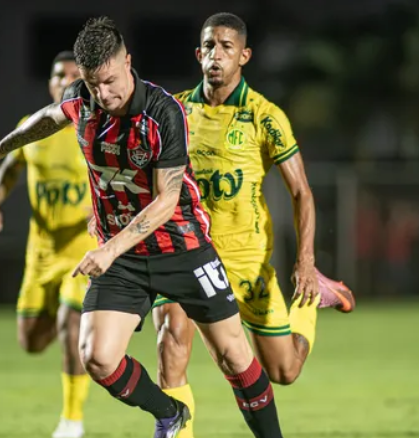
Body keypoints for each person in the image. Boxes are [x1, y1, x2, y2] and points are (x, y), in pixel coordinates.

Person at [0, 17, 286, 438]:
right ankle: (170, 413)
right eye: (93, 84)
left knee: (234, 358)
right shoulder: (82, 100)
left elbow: (167, 200)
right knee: (96, 357)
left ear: (128, 63)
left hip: (182, 248)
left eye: (111, 81)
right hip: (124, 258)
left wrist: (109, 248)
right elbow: (45, 118)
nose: (104, 94)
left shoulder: (163, 112)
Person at [148, 13, 356, 437]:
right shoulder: (175, 111)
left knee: (284, 370)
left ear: (244, 56)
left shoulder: (265, 116)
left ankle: (312, 300)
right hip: (186, 253)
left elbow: (302, 193)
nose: (216, 55)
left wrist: (305, 260)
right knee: (171, 341)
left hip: (246, 263)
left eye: (226, 47)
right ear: (198, 54)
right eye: (209, 46)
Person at [0, 51, 91, 438]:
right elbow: (9, 166)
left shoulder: (94, 127)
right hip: (41, 253)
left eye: (74, 75)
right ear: (50, 83)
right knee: (31, 341)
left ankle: (72, 421)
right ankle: (82, 328)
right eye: (59, 75)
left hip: (83, 252)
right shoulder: (32, 127)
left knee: (71, 324)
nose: (65, 80)